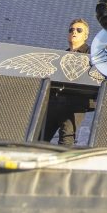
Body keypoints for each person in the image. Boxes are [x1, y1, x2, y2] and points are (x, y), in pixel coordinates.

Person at [42, 18, 93, 146]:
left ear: (85, 36)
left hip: (76, 102)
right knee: (39, 137)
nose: (74, 32)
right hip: (55, 101)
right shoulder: (62, 55)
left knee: (66, 138)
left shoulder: (92, 54)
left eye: (79, 30)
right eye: (71, 30)